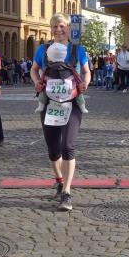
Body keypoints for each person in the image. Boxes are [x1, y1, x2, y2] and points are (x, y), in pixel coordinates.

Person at [30, 13, 90, 211]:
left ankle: (66, 192)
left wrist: (85, 84)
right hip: (50, 104)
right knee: (53, 150)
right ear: (51, 29)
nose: (59, 30)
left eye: (62, 26)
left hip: (72, 103)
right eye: (55, 26)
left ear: (68, 28)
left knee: (68, 147)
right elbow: (34, 69)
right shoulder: (43, 49)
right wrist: (36, 82)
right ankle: (59, 180)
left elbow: (86, 71)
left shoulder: (77, 49)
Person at [35, 42, 88, 113]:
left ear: (50, 57)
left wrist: (40, 83)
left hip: (51, 90)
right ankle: (82, 107)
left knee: (43, 93)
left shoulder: (48, 68)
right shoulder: (69, 66)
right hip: (69, 89)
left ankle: (41, 106)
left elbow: (43, 76)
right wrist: (80, 83)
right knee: (78, 93)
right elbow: (76, 76)